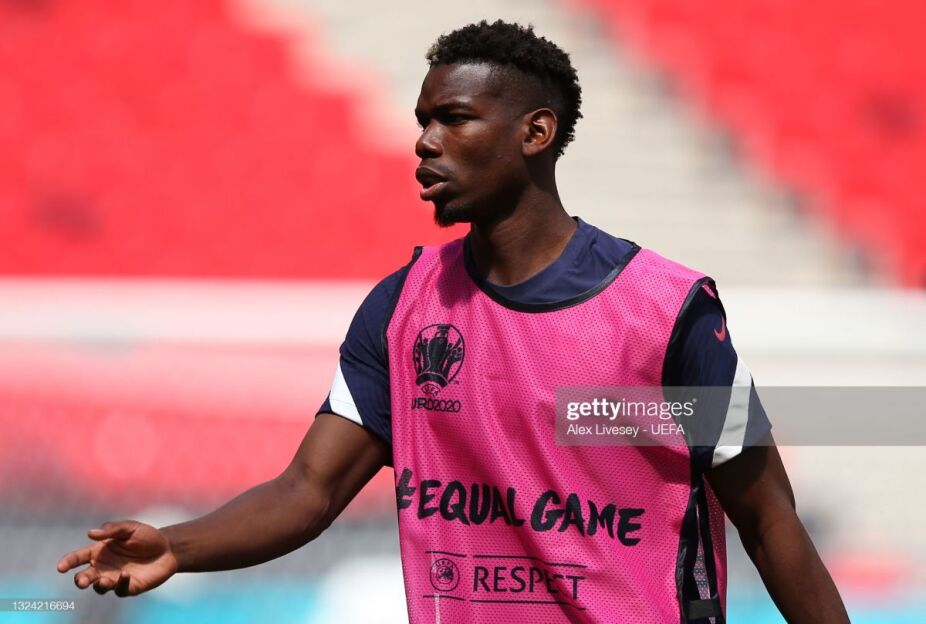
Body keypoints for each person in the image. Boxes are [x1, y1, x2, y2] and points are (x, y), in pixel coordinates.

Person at [58, 20, 849, 623]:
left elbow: (766, 517)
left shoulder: (668, 312)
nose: (425, 142)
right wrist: (177, 546)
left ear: (535, 133)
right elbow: (308, 490)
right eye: (422, 120)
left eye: (455, 118)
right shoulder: (401, 309)